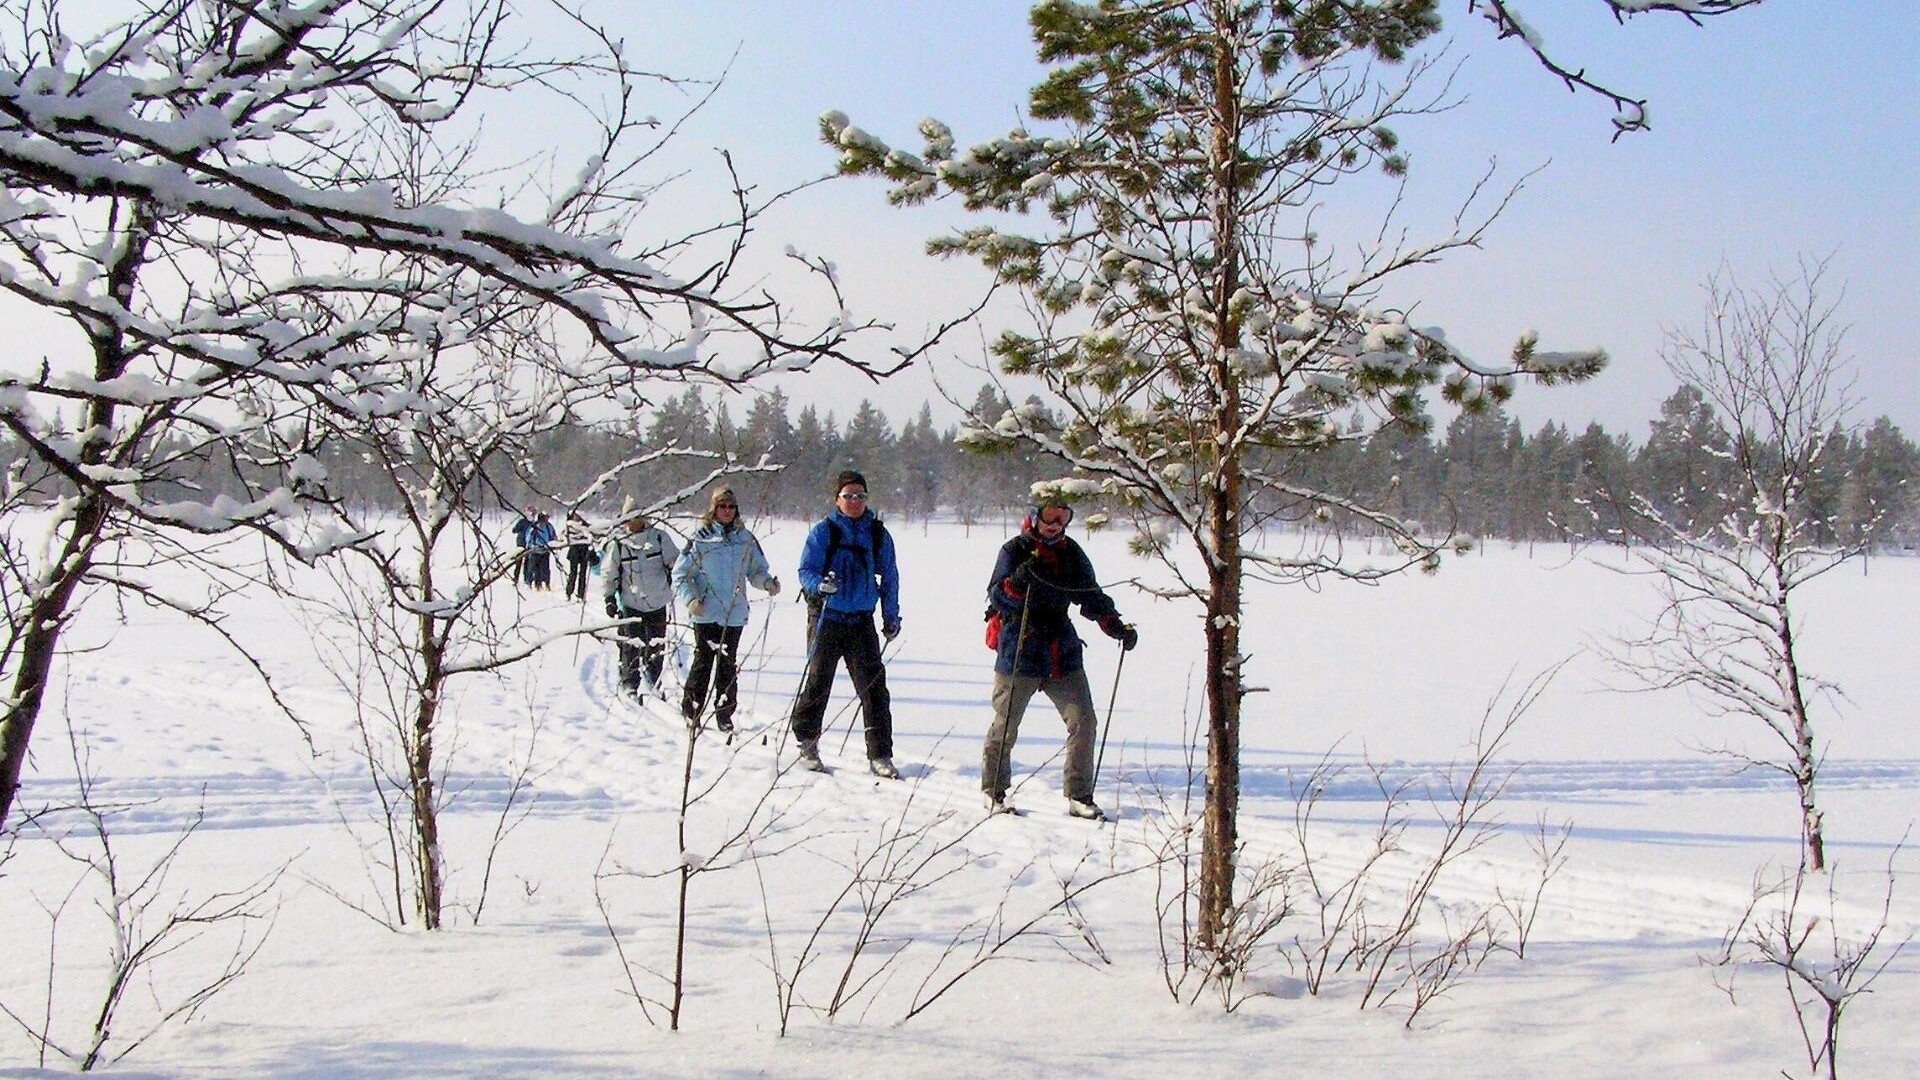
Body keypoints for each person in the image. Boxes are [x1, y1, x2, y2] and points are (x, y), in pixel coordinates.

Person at [980, 497, 1137, 821]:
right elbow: (998, 597)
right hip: (1019, 648)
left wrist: (1114, 625)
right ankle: (993, 791)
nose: (1055, 524)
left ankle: (1079, 795)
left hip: (1060, 652)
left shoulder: (1071, 553)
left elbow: (1089, 595)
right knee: (1006, 724)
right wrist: (1018, 582)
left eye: (1062, 517)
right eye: (1049, 516)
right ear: (1034, 516)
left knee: (1084, 722)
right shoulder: (1013, 550)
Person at [789, 470, 901, 777]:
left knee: (875, 689)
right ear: (837, 499)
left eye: (860, 496)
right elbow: (806, 569)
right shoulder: (824, 532)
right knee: (818, 683)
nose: (855, 501)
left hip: (861, 620)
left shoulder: (877, 533)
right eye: (848, 495)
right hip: (827, 617)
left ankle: (880, 754)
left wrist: (891, 616)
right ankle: (807, 742)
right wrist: (818, 586)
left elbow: (889, 576)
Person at [672, 487, 780, 734]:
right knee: (703, 662)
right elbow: (680, 574)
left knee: (727, 665)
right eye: (722, 506)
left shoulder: (745, 538)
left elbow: (756, 570)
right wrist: (691, 600)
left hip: (734, 613)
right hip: (706, 611)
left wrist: (767, 583)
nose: (727, 511)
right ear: (713, 508)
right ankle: (692, 710)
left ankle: (725, 713)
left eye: (731, 506)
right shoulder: (701, 537)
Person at [601, 511, 678, 695]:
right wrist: (609, 598)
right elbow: (608, 572)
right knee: (631, 644)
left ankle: (654, 676)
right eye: (629, 518)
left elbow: (676, 562)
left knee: (657, 643)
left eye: (637, 517)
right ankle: (630, 681)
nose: (634, 522)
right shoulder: (619, 543)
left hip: (658, 599)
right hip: (631, 601)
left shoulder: (659, 538)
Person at [562, 509, 596, 601]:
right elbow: (564, 536)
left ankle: (581, 594)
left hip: (584, 552)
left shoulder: (585, 526)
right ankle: (569, 592)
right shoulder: (569, 526)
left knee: (582, 574)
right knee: (573, 573)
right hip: (574, 552)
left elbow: (591, 535)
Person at [525, 510, 557, 590]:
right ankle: (537, 584)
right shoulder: (534, 527)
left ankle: (547, 583)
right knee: (535, 569)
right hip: (535, 551)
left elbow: (553, 537)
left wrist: (552, 545)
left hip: (545, 551)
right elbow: (528, 538)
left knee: (546, 568)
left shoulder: (549, 527)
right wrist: (532, 546)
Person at [511, 506, 538, 586]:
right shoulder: (522, 522)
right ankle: (516, 578)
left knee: (528, 562)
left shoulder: (533, 523)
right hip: (521, 544)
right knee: (519, 561)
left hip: (530, 544)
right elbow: (514, 530)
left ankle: (527, 579)